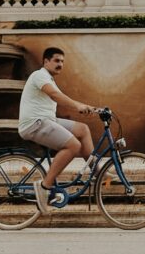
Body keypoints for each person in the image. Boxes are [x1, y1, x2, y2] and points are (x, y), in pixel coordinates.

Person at [17, 47, 102, 213]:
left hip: (47, 121)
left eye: (62, 61)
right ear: (46, 61)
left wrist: (94, 109)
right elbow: (56, 96)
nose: (60, 64)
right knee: (73, 146)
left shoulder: (50, 79)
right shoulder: (39, 75)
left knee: (82, 129)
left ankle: (97, 172)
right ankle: (44, 186)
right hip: (34, 123)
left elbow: (63, 99)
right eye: (56, 60)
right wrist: (78, 105)